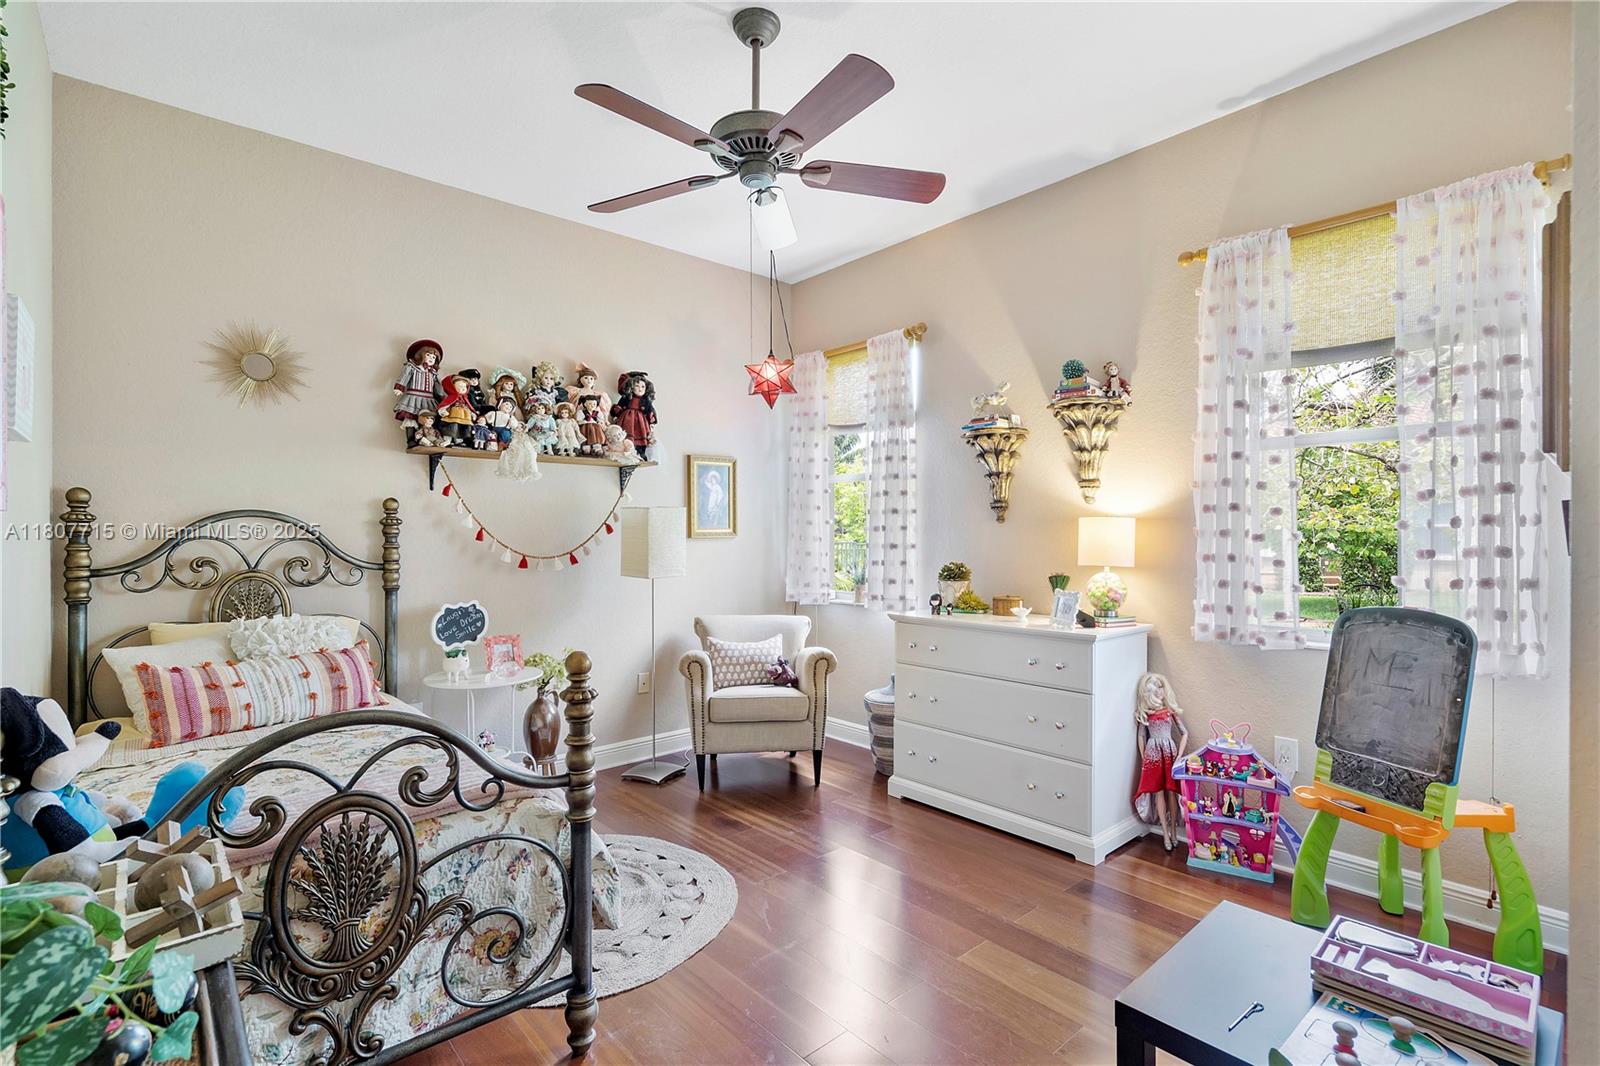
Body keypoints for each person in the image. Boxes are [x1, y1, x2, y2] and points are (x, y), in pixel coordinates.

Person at [1132, 672, 1189, 851]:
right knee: (1158, 792)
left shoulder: (1170, 712)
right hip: (1153, 754)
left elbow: (1184, 733)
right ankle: (1165, 832)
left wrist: (1180, 755)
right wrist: (1144, 757)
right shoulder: (1147, 713)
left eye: (1161, 687)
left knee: (1171, 791)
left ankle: (1172, 830)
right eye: (1156, 688)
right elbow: (1141, 735)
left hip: (1169, 752)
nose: (1159, 691)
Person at [611, 371, 657, 461]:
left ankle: (641, 452)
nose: (640, 389)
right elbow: (620, 406)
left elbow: (650, 410)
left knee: (641, 434)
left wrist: (651, 422)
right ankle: (627, 449)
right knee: (626, 434)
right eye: (637, 386)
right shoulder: (627, 397)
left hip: (641, 421)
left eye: (643, 386)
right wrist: (616, 414)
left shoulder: (646, 400)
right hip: (627, 419)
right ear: (631, 387)